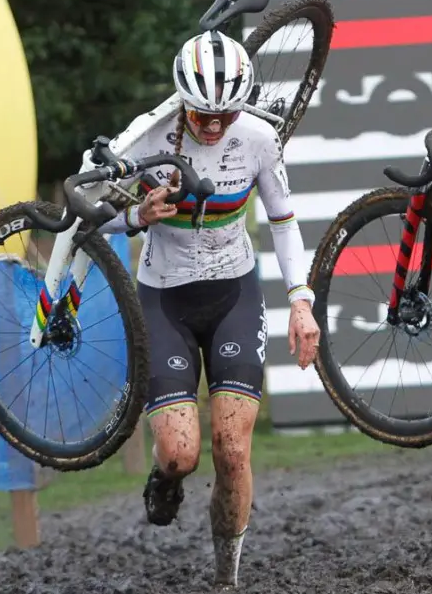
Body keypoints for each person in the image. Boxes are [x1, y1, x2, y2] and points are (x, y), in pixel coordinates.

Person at [95, 30, 321, 589]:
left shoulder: (259, 138)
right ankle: (165, 478)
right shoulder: (147, 135)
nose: (215, 125)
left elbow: (284, 222)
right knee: (180, 453)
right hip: (165, 296)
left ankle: (227, 579)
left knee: (233, 448)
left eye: (225, 114)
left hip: (233, 296)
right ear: (182, 99)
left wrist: (300, 300)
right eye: (203, 115)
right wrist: (136, 217)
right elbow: (87, 218)